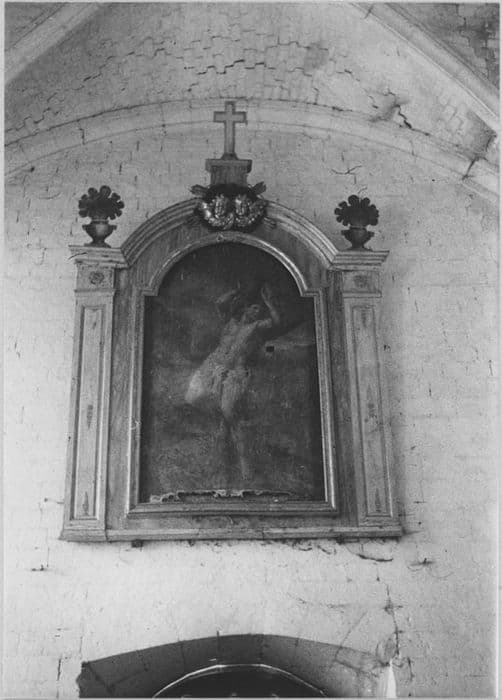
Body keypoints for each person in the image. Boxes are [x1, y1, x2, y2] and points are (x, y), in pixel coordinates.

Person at [185, 283, 281, 478]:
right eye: (255, 307)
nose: (257, 312)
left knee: (229, 413)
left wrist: (269, 303)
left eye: (259, 310)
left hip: (235, 373)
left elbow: (276, 322)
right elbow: (219, 303)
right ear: (246, 307)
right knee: (194, 399)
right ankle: (223, 458)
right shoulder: (230, 322)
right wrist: (236, 291)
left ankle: (244, 465)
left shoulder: (255, 327)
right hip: (212, 366)